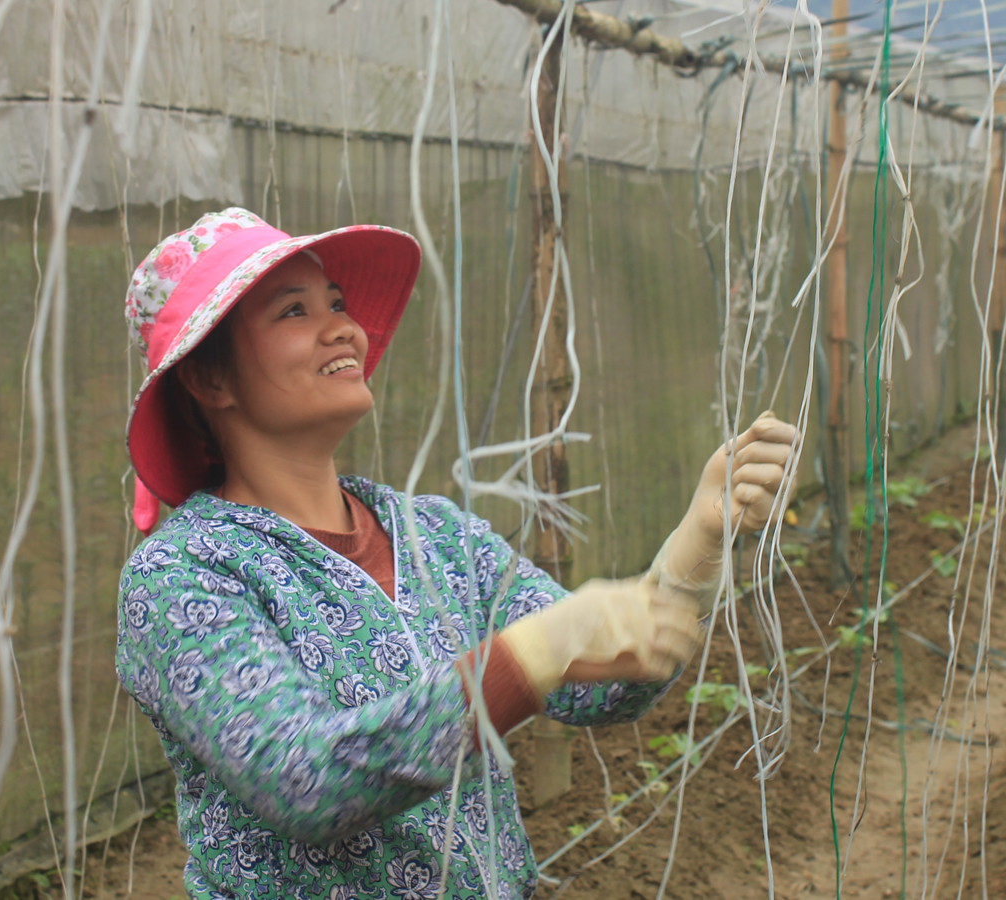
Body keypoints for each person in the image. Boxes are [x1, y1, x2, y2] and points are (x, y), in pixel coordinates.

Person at [115, 208, 797, 900]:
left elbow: (604, 687)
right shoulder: (184, 574)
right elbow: (305, 779)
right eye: (293, 311)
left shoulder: (433, 534)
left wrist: (700, 538)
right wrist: (531, 653)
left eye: (339, 304)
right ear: (210, 380)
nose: (343, 328)